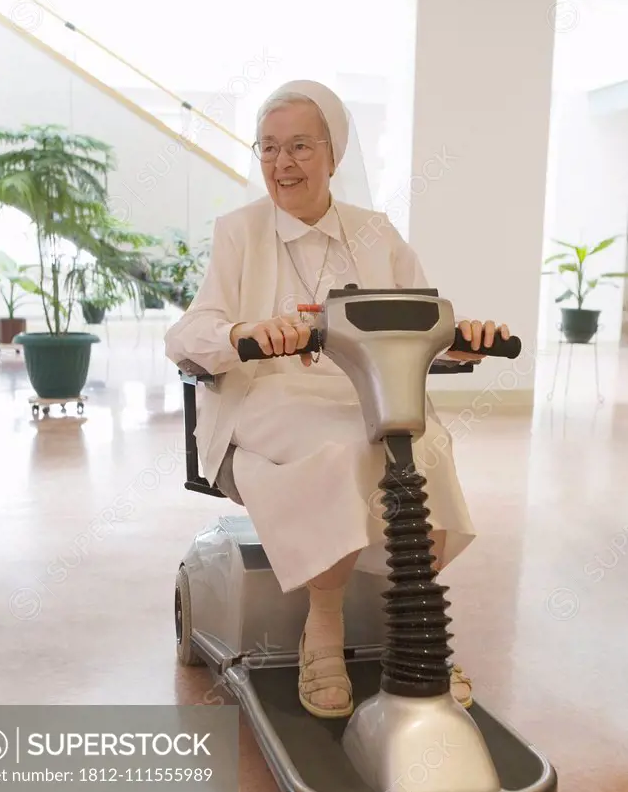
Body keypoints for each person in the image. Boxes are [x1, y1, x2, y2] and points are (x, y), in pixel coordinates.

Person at [165, 80, 509, 719]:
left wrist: (465, 342)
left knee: (424, 442)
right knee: (346, 447)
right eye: (268, 149)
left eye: (298, 146)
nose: (281, 163)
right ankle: (323, 624)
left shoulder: (376, 235)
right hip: (267, 397)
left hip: (365, 391)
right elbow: (187, 331)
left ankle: (417, 621)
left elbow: (424, 321)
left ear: (333, 154)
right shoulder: (238, 233)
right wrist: (243, 332)